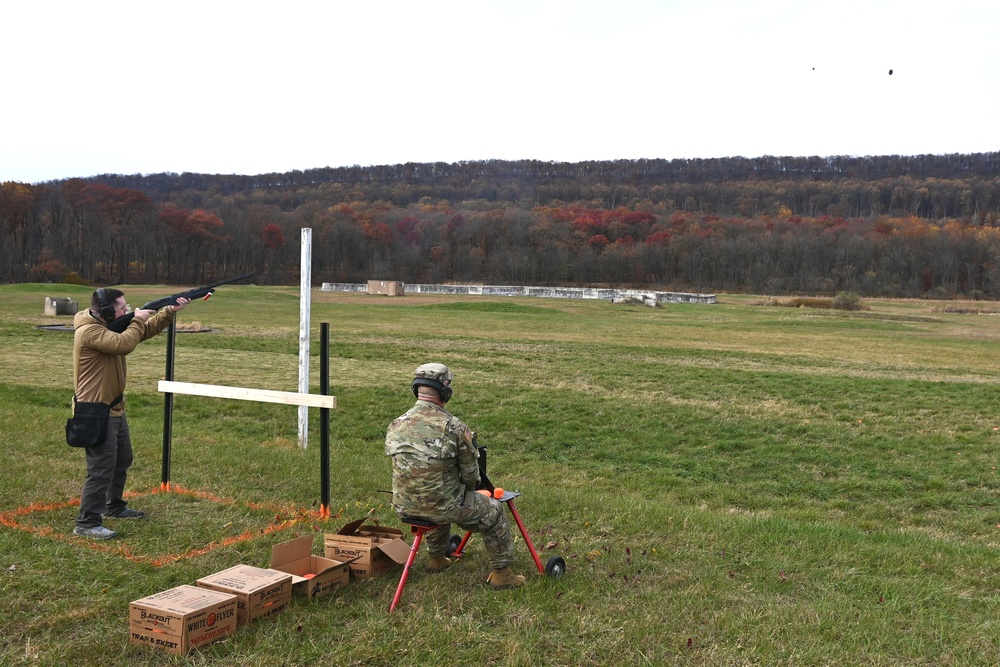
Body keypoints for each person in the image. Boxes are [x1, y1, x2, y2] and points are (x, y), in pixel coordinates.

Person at [385, 362, 525, 589]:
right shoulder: (454, 427)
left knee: (436, 496)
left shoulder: (396, 424)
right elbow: (471, 476)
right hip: (443, 506)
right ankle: (502, 574)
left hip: (404, 505)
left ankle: (437, 558)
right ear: (445, 391)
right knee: (495, 511)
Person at [71, 288, 189, 539]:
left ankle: (113, 506)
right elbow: (125, 344)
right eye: (122, 308)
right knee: (101, 468)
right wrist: (137, 319)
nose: (127, 310)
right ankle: (87, 523)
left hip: (113, 407)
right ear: (105, 311)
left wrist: (168, 311)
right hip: (95, 410)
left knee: (122, 459)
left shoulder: (106, 327)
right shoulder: (89, 331)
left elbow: (141, 332)